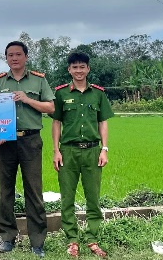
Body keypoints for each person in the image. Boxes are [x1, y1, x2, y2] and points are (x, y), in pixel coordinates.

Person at [0, 41, 55, 258]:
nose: (14, 58)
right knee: (5, 191)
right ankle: (8, 238)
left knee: (34, 192)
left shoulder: (39, 80)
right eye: (10, 55)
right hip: (6, 143)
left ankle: (37, 242)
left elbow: (51, 107)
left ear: (26, 57)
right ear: (6, 58)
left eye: (18, 54)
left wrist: (27, 99)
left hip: (30, 141)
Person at [51, 51, 113, 259]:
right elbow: (56, 122)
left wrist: (104, 149)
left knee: (93, 198)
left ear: (88, 69)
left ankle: (92, 238)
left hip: (93, 151)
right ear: (69, 70)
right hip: (68, 151)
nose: (78, 70)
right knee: (67, 198)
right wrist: (56, 150)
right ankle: (72, 240)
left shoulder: (98, 94)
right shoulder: (61, 94)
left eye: (82, 67)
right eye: (74, 67)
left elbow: (103, 122)